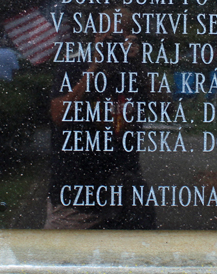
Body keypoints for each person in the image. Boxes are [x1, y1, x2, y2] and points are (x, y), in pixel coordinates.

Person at [44, 20, 156, 229]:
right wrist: (95, 67)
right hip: (76, 195)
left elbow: (167, 109)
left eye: (120, 37)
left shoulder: (134, 72)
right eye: (109, 37)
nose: (113, 44)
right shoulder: (75, 67)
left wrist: (139, 64)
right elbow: (58, 114)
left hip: (125, 194)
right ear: (97, 36)